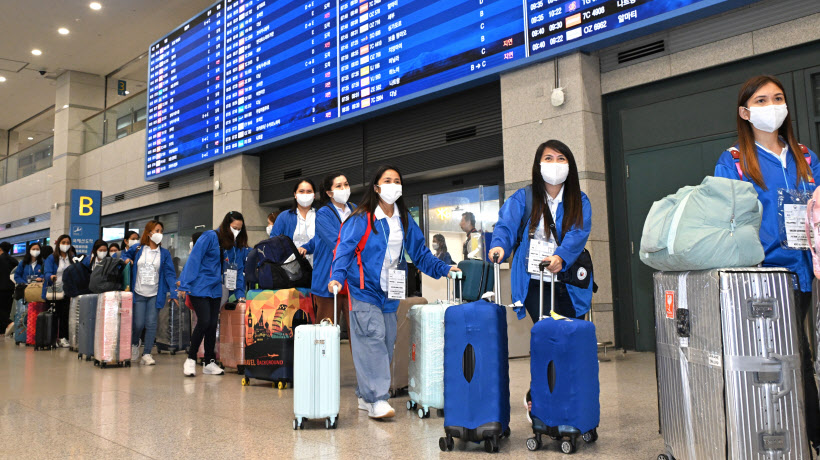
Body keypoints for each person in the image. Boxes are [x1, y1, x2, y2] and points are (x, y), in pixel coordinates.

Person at [714, 75, 820, 452]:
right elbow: (726, 219)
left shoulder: (806, 157)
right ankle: (757, 438)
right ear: (745, 112)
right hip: (757, 279)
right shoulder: (735, 161)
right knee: (762, 362)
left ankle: (806, 437)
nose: (771, 105)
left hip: (800, 275)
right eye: (761, 100)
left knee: (798, 357)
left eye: (777, 98)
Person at [329, 166, 460, 419]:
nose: (393, 185)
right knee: (372, 337)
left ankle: (363, 395)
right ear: (376, 187)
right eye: (387, 180)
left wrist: (444, 268)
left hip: (391, 290)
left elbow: (420, 254)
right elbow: (344, 250)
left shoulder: (404, 219)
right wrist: (336, 277)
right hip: (364, 290)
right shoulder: (361, 218)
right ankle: (377, 399)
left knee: (387, 342)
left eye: (397, 181)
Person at [489, 140, 593, 323]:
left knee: (572, 336)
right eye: (548, 158)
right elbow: (506, 225)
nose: (555, 164)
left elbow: (578, 233)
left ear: (570, 165)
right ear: (539, 164)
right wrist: (499, 246)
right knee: (548, 334)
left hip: (570, 281)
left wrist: (560, 257)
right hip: (535, 281)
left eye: (561, 158)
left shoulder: (580, 200)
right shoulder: (523, 198)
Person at [178, 212, 247, 377]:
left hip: (216, 289)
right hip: (199, 286)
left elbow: (236, 270)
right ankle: (191, 359)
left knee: (211, 325)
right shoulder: (209, 237)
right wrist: (185, 283)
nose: (236, 231)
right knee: (204, 321)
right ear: (226, 225)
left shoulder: (235, 247)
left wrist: (239, 292)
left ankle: (209, 361)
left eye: (239, 229)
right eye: (233, 228)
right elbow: (194, 259)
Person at [123, 220, 178, 366]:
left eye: (161, 231)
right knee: (138, 324)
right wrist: (127, 259)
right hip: (138, 292)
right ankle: (135, 343)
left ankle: (147, 353)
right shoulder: (138, 248)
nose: (159, 234)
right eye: (157, 230)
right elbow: (123, 256)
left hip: (155, 293)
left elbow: (170, 274)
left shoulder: (164, 254)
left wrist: (173, 293)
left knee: (152, 323)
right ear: (149, 233)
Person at [313, 172, 355, 336]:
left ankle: (360, 363)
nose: (344, 188)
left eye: (346, 184)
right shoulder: (323, 214)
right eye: (339, 186)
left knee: (358, 333)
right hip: (328, 282)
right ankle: (321, 363)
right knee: (326, 334)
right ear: (329, 193)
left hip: (353, 282)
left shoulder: (355, 209)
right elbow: (338, 243)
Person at [43, 235, 84, 348]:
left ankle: (63, 337)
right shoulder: (52, 258)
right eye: (63, 242)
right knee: (54, 315)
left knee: (65, 315)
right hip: (55, 291)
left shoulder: (72, 257)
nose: (65, 244)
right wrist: (51, 276)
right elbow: (46, 272)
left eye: (67, 242)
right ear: (58, 243)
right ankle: (52, 338)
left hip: (68, 291)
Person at [270, 179, 317, 263]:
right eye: (301, 191)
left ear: (314, 195)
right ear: (295, 195)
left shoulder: (321, 216)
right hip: (290, 267)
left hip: (317, 266)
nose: (305, 194)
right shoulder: (284, 216)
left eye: (309, 191)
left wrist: (306, 248)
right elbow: (274, 241)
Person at [0, 242, 18, 332]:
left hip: (1, 288)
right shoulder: (14, 260)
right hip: (11, 288)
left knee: (1, 309)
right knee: (7, 309)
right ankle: (3, 330)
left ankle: (8, 323)